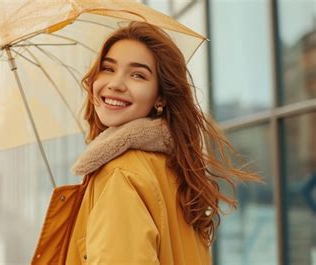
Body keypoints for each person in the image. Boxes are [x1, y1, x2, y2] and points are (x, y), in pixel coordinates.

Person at [31, 22, 261, 265]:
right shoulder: (176, 169)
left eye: (138, 75)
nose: (116, 84)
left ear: (160, 96)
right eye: (108, 69)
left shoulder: (120, 174)